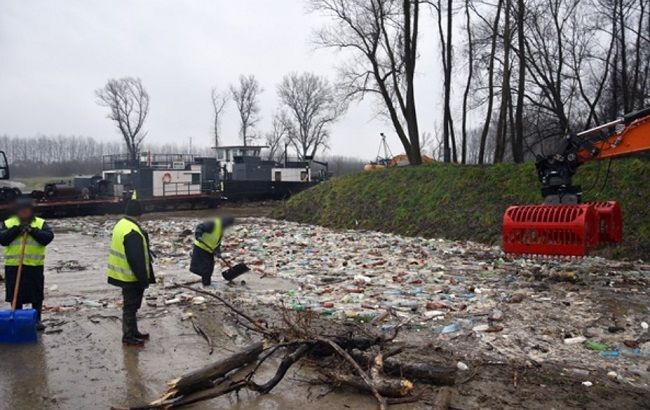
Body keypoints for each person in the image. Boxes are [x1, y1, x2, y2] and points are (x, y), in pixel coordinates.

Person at [0, 197, 54, 331]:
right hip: (14, 266)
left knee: (36, 295)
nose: (24, 213)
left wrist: (31, 230)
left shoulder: (40, 223)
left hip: (34, 266)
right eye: (21, 211)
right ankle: (17, 319)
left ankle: (36, 320)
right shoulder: (8, 223)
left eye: (26, 210)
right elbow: (3, 239)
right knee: (15, 296)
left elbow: (47, 238)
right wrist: (17, 229)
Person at [107, 200, 155, 347]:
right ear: (139, 214)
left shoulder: (121, 224)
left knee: (131, 307)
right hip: (130, 276)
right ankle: (128, 336)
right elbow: (136, 259)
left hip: (121, 274)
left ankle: (133, 332)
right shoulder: (132, 231)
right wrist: (143, 280)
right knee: (131, 307)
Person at [190, 215, 234, 286]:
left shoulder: (220, 230)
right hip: (201, 247)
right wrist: (198, 235)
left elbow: (217, 242)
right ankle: (206, 285)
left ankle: (207, 284)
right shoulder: (213, 224)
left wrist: (218, 252)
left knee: (210, 267)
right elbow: (200, 227)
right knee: (206, 268)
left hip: (209, 250)